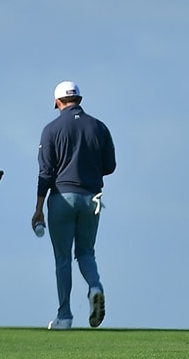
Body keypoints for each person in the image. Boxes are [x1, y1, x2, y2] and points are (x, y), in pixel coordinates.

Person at [32, 81, 117, 330]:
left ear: (58, 102)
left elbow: (46, 173)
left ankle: (65, 316)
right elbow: (110, 166)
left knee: (63, 258)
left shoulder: (51, 129)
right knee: (86, 252)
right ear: (79, 99)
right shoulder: (99, 127)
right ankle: (95, 287)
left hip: (62, 197)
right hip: (92, 198)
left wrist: (38, 208)